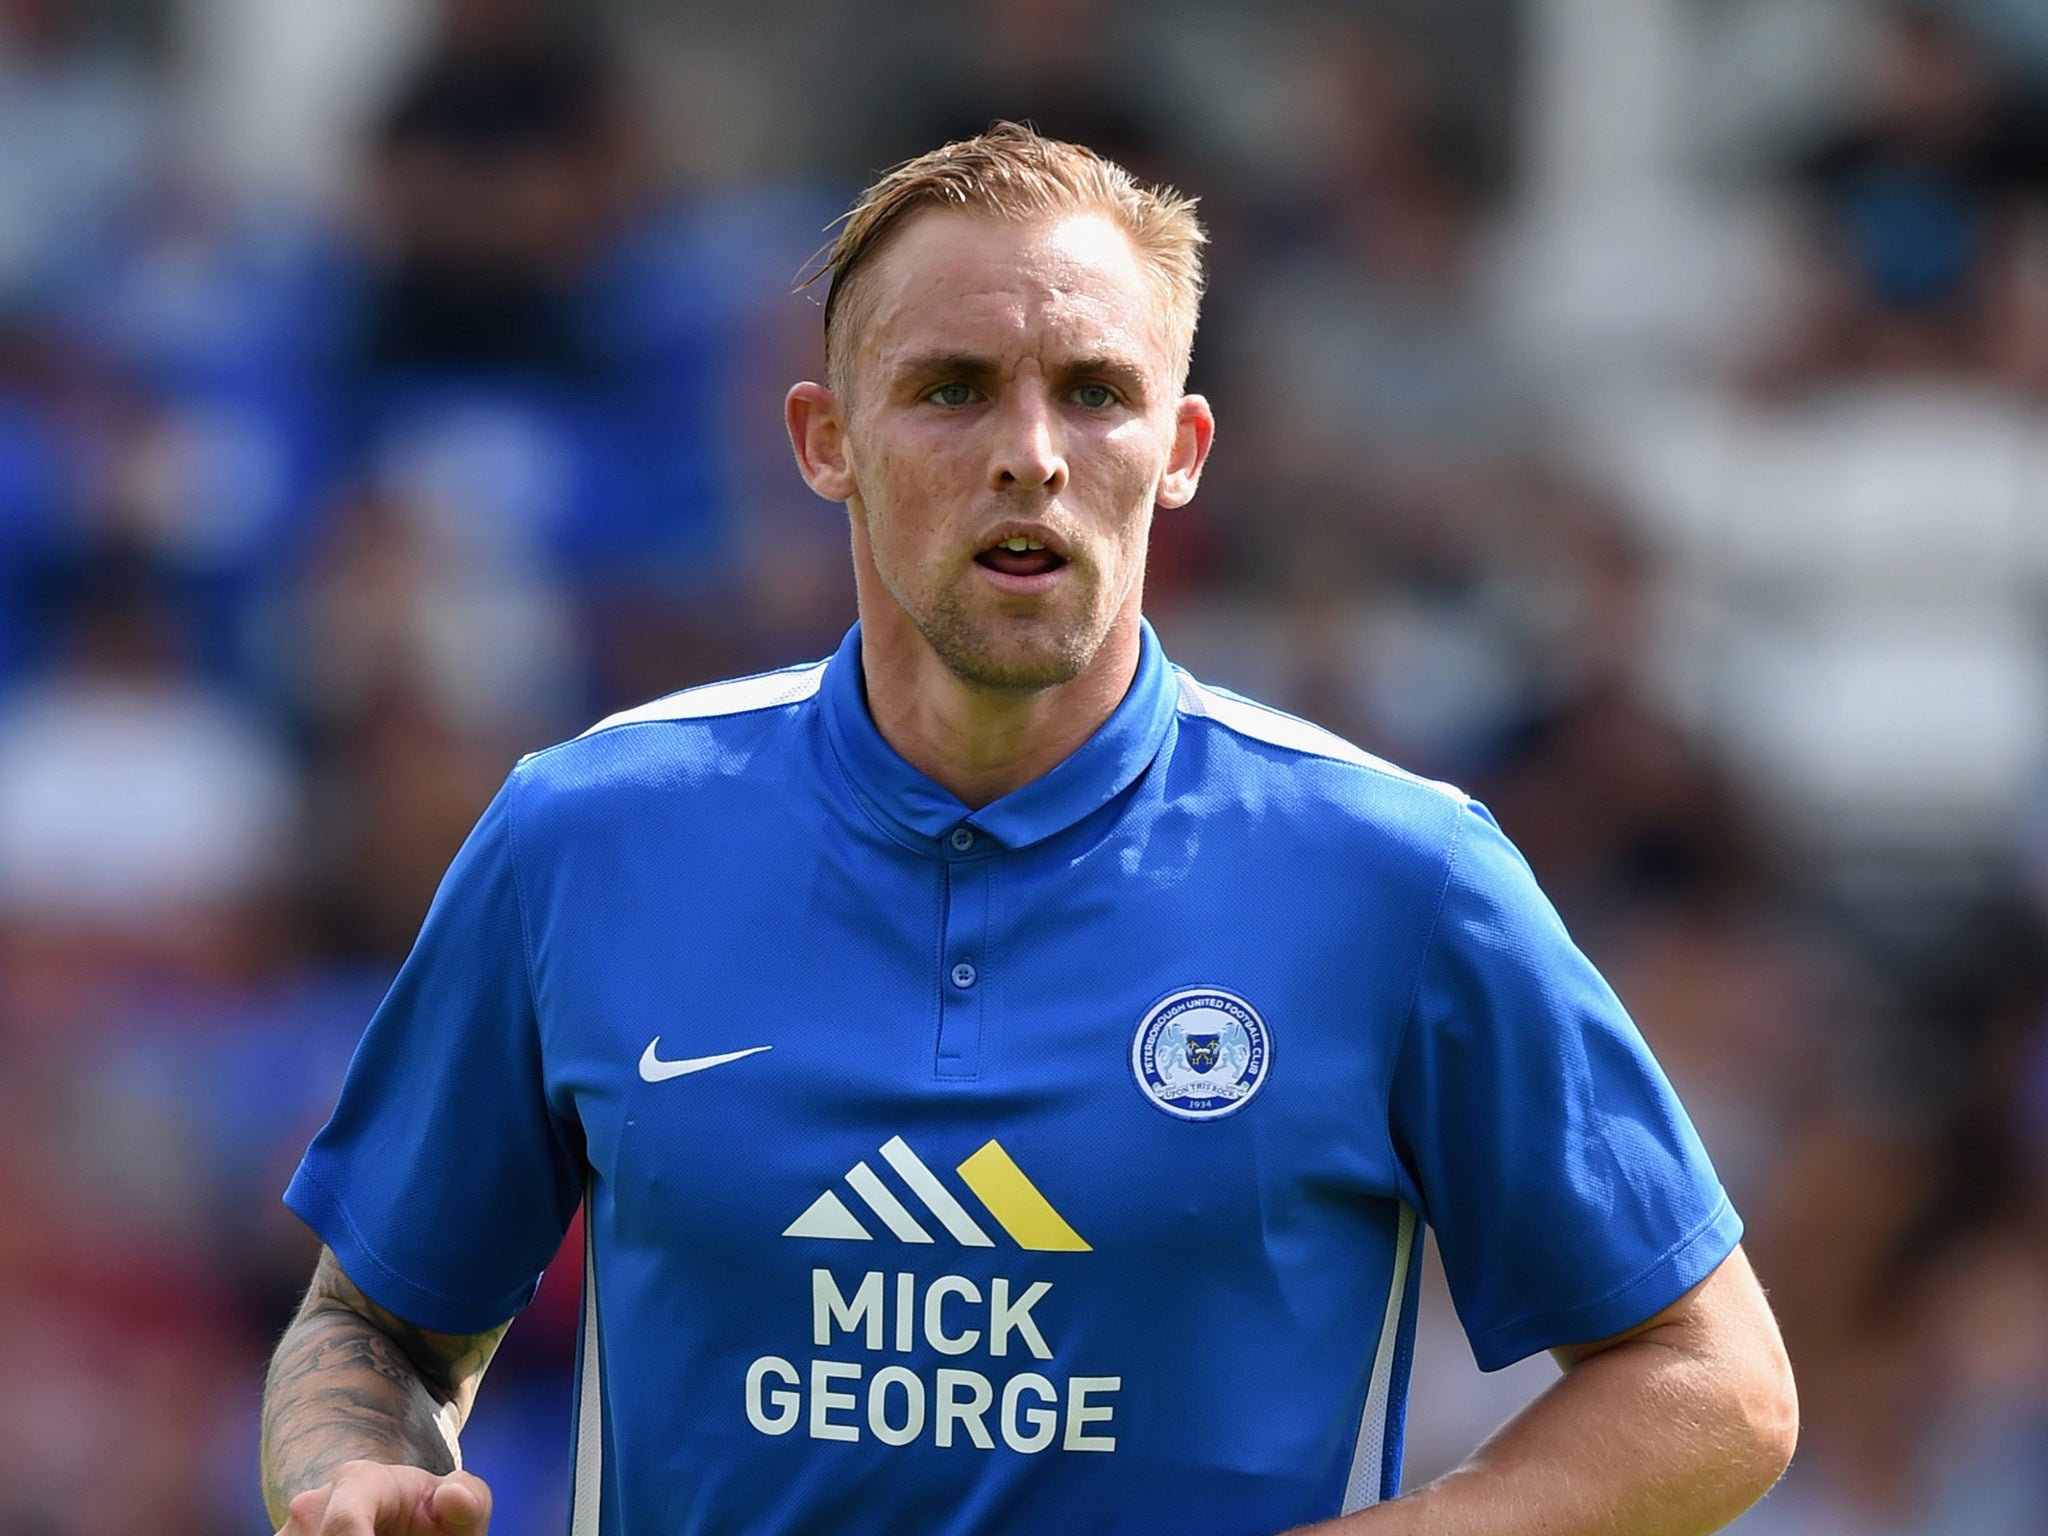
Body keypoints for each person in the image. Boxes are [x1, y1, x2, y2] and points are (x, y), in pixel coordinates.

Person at [261, 123, 1797, 1536]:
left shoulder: (1400, 875)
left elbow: (1716, 1380)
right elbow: (375, 1321)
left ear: (1182, 450)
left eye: (1094, 391)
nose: (1032, 453)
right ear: (824, 440)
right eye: (950, 389)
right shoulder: (584, 836)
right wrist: (345, 1473)